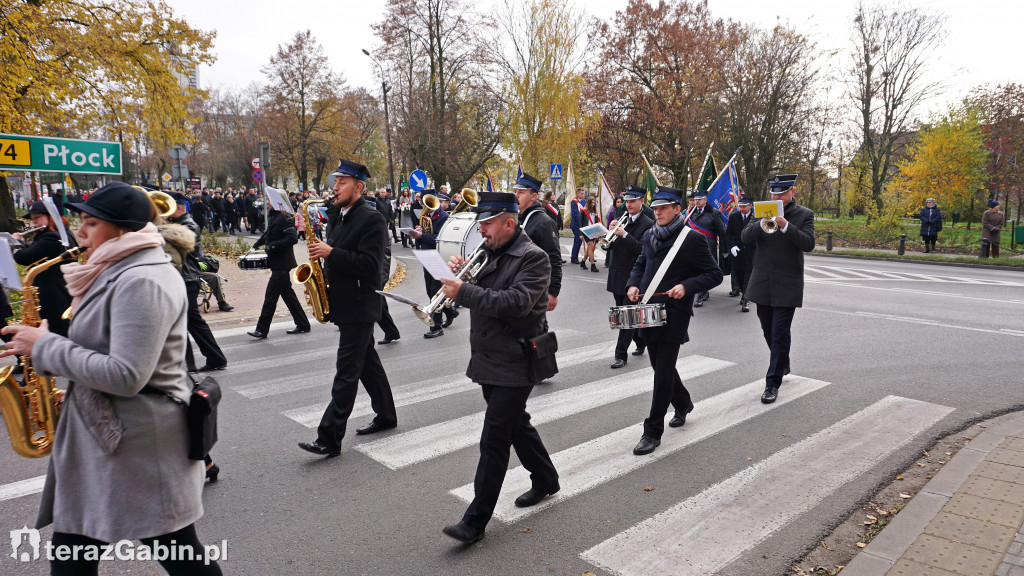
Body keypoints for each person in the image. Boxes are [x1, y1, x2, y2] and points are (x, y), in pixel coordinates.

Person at [0, 183, 222, 575]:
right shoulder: (116, 269)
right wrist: (46, 341)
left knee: (181, 555)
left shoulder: (142, 280)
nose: (79, 232)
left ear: (121, 230)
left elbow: (126, 375)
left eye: (89, 223)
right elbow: (105, 346)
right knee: (78, 553)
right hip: (110, 439)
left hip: (137, 444)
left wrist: (46, 347)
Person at [438, 191, 559, 544]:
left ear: (510, 223)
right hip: (489, 356)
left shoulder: (533, 258)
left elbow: (517, 303)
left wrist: (464, 291)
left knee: (494, 439)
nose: (482, 231)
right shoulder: (490, 252)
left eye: (488, 224)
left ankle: (474, 522)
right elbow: (484, 295)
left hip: (517, 361)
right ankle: (546, 478)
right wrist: (463, 277)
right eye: (480, 224)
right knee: (516, 425)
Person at [298, 159, 398, 458]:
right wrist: (321, 285)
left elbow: (370, 266)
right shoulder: (339, 216)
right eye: (335, 181)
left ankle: (329, 437)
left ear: (359, 187)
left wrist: (331, 253)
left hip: (361, 303)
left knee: (346, 373)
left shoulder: (372, 218)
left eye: (342, 182)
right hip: (344, 301)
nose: (335, 187)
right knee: (368, 363)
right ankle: (387, 415)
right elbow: (336, 259)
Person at [626, 186, 723, 455]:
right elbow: (640, 264)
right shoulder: (649, 235)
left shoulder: (692, 239)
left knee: (664, 369)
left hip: (674, 314)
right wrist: (633, 284)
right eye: (655, 208)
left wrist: (686, 285)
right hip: (647, 309)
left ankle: (652, 431)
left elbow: (714, 274)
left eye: (663, 208)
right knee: (659, 365)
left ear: (677, 208)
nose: (657, 212)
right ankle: (683, 403)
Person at [741, 174, 815, 404]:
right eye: (773, 193)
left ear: (792, 192)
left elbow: (808, 243)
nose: (776, 197)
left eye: (781, 193)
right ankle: (782, 360)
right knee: (768, 330)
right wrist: (761, 224)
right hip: (763, 280)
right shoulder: (761, 210)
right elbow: (745, 237)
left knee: (780, 332)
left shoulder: (804, 215)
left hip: (787, 282)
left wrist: (785, 226)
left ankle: (772, 383)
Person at [167, 193, 227, 372]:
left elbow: (174, 243)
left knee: (185, 323)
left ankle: (195, 363)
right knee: (190, 322)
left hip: (188, 278)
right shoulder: (178, 224)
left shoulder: (189, 225)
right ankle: (214, 358)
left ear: (179, 207)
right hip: (185, 279)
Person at [246, 202, 311, 339]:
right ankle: (303, 324)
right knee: (288, 295)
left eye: (269, 200)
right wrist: (257, 244)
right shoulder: (275, 217)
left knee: (270, 297)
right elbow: (268, 234)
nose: (267, 202)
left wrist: (273, 246)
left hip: (282, 264)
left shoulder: (286, 218)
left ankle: (262, 329)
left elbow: (292, 238)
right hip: (277, 263)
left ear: (277, 202)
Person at [11, 201, 75, 338]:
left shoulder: (53, 237)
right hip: (58, 291)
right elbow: (36, 249)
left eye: (37, 218)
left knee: (56, 332)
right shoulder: (60, 234)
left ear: (51, 216)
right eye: (32, 219)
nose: (34, 223)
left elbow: (24, 257)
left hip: (54, 295)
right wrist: (22, 243)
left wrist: (16, 244)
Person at [607, 186, 654, 368]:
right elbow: (609, 247)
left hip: (633, 276)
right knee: (624, 314)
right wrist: (608, 235)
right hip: (617, 274)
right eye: (626, 201)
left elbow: (643, 250)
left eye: (632, 201)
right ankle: (641, 341)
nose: (628, 204)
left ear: (641, 201)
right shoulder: (621, 219)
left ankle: (620, 355)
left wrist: (624, 235)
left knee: (626, 315)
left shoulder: (648, 224)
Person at [407, 188, 453, 337]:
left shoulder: (444, 217)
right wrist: (418, 233)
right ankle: (450, 311)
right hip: (426, 255)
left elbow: (438, 239)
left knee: (434, 293)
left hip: (437, 257)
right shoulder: (426, 215)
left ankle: (436, 327)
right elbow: (425, 235)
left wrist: (421, 236)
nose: (424, 205)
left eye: (428, 201)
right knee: (430, 291)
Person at [513, 172, 562, 311]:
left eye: (521, 192)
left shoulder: (544, 222)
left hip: (533, 287)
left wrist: (553, 292)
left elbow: (554, 258)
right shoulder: (515, 217)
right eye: (515, 191)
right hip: (514, 286)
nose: (516, 196)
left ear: (533, 196)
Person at [688, 190, 728, 308]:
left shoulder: (714, 213)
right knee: (695, 269)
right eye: (695, 199)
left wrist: (725, 249)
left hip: (707, 246)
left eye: (699, 199)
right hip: (692, 246)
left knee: (704, 269)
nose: (697, 201)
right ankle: (702, 290)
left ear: (705, 200)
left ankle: (701, 293)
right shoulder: (690, 213)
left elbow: (722, 231)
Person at [725, 196, 756, 312]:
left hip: (752, 251)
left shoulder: (756, 217)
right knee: (739, 275)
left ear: (750, 206)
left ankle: (746, 299)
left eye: (744, 206)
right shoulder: (734, 217)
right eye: (740, 206)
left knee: (748, 275)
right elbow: (728, 234)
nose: (742, 209)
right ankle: (744, 293)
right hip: (737, 251)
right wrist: (732, 246)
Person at [578, 197, 600, 272]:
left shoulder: (595, 212)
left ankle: (583, 262)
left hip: (593, 231)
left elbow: (596, 222)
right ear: (588, 203)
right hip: (586, 231)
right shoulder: (584, 211)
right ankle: (593, 265)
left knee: (590, 248)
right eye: (592, 202)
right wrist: (580, 233)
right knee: (590, 246)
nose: (593, 204)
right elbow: (580, 222)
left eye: (594, 203)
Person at [569, 187, 586, 264]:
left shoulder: (584, 202)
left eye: (583, 193)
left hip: (582, 224)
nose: (583, 195)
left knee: (580, 241)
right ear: (577, 193)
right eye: (581, 193)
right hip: (576, 224)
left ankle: (578, 256)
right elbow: (575, 214)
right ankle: (574, 257)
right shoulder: (573, 202)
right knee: (578, 240)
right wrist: (581, 223)